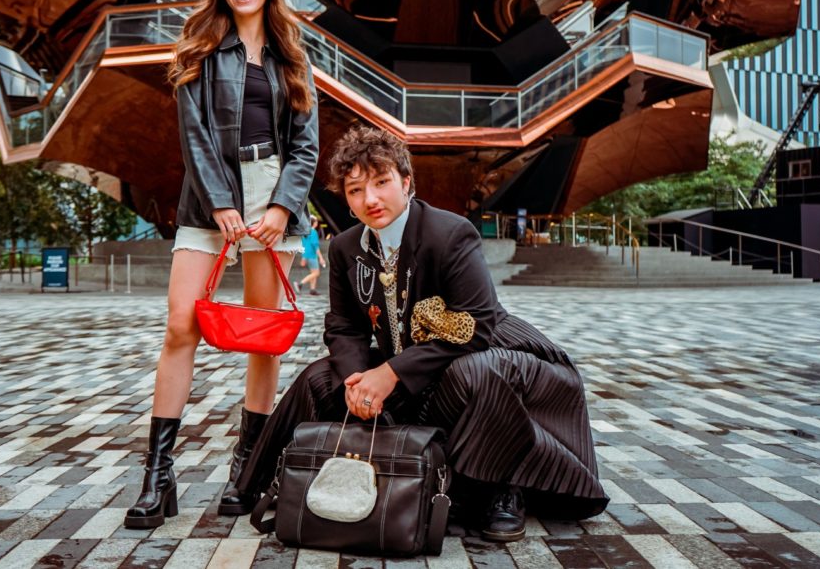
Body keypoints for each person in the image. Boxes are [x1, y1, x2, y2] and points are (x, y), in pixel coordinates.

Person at [236, 127, 607, 541]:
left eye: (381, 182)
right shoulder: (344, 248)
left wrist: (391, 373)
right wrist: (358, 382)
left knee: (478, 373)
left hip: (486, 350)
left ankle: (498, 488)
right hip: (416, 361)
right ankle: (267, 479)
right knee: (322, 378)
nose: (370, 199)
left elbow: (478, 325)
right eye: (356, 190)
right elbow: (344, 328)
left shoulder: (450, 233)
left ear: (406, 182)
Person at [124, 0, 318, 529]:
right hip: (209, 201)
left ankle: (248, 468)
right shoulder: (199, 49)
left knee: (261, 337)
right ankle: (158, 477)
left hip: (271, 194)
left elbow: (306, 147)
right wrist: (222, 206)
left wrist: (282, 208)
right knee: (181, 325)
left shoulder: (293, 56)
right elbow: (195, 140)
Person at [295, 216, 325, 295]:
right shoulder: (313, 232)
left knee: (313, 272)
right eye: (316, 222)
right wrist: (321, 258)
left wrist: (303, 256)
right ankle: (300, 284)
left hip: (306, 254)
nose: (317, 223)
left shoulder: (305, 232)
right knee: (316, 273)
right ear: (314, 223)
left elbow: (304, 244)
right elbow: (315, 246)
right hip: (312, 255)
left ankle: (312, 290)